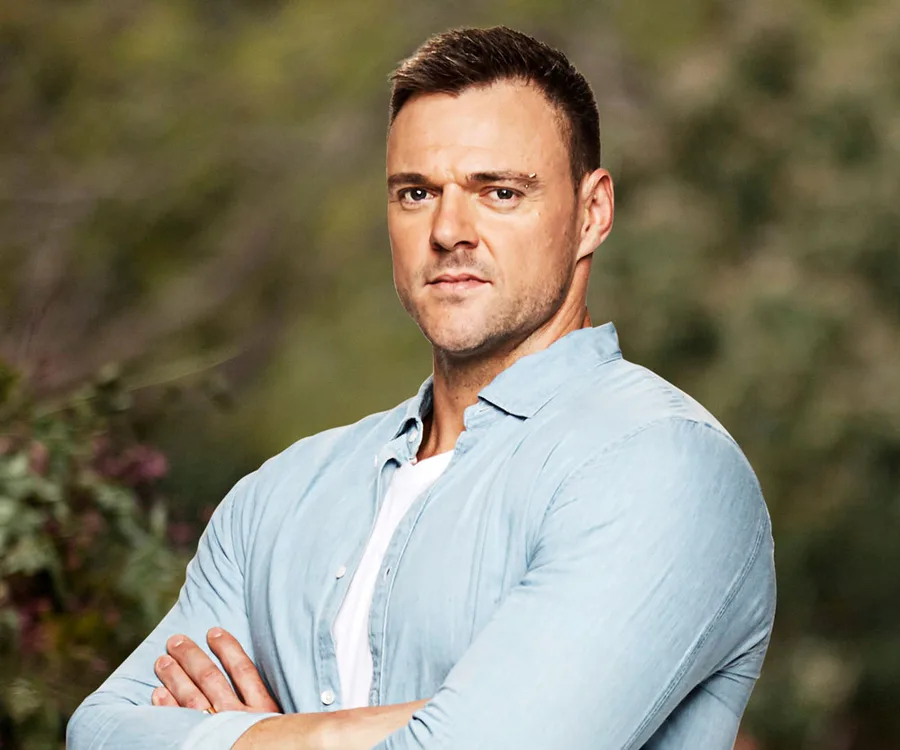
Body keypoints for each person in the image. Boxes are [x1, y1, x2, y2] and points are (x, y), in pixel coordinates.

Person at [67, 25, 776, 750]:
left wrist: (256, 735)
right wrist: (356, 730)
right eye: (416, 193)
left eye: (499, 192)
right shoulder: (277, 498)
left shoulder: (661, 465)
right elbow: (97, 732)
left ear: (591, 214)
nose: (448, 231)